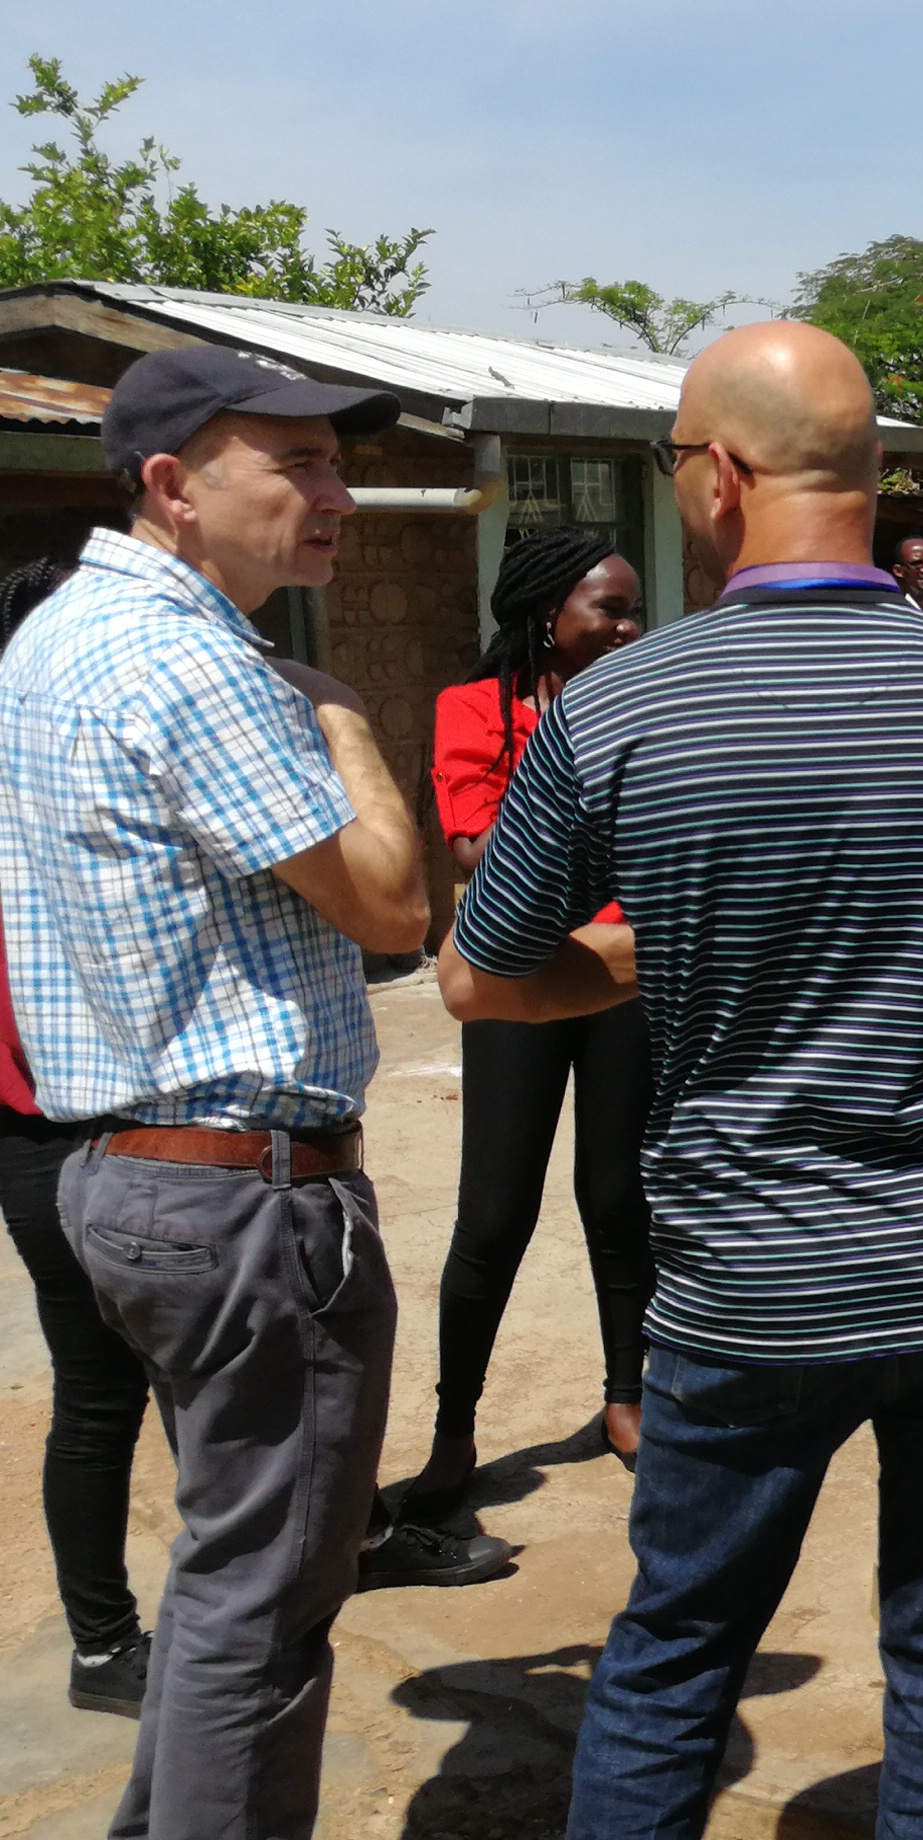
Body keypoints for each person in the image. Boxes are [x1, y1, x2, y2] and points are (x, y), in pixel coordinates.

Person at [437, 321, 923, 1840]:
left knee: (673, 1659)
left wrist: (656, 962)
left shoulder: (618, 711)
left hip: (750, 1289)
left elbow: (480, 977)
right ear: (873, 474)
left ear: (713, 476)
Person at [0, 345, 504, 1840]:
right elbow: (395, 906)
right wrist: (345, 713)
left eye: (338, 461)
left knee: (226, 1590)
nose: (336, 493)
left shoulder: (61, 636)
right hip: (240, 1191)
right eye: (295, 463)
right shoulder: (204, 665)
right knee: (264, 1614)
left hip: (131, 1172)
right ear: (173, 485)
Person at [400, 526, 655, 1523]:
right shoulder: (473, 709)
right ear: (551, 615)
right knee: (494, 1212)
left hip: (623, 971)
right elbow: (473, 847)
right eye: (613, 609)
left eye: (637, 609)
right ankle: (455, 1424)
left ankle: (626, 1397)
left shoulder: (647, 708)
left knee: (617, 1193)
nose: (634, 627)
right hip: (514, 982)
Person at [0, 549, 160, 1720]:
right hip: (75, 1134)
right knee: (132, 1389)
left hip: (68, 1131)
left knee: (121, 1389)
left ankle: (108, 1643)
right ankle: (116, 1643)